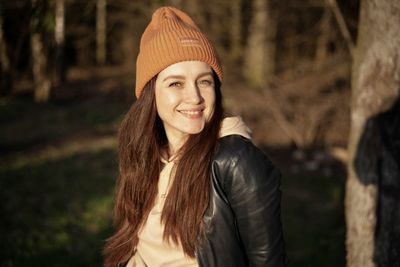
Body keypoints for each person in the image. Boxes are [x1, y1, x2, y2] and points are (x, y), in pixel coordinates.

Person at [103, 6, 286, 267]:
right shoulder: (144, 157)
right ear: (149, 95)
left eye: (204, 81)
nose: (195, 97)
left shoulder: (234, 161)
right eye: (176, 83)